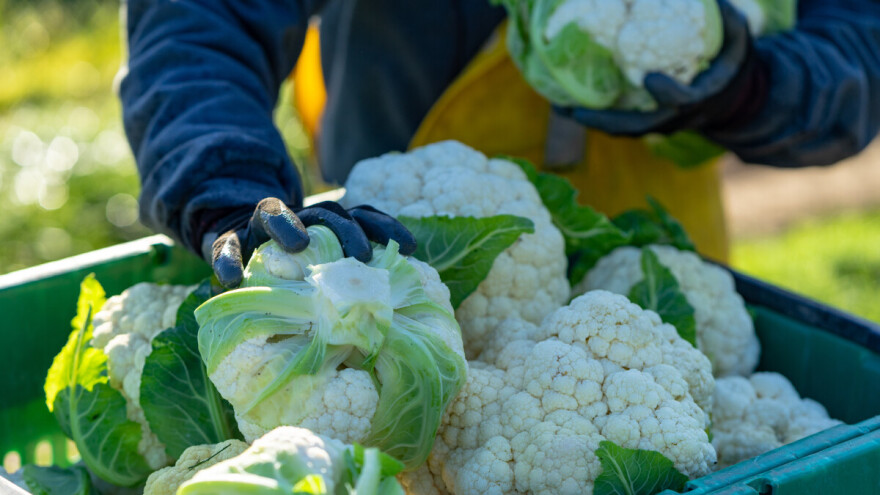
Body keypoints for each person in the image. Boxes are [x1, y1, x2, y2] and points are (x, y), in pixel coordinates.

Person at [120, 0, 880, 287]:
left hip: (663, 270)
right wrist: (221, 179)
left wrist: (753, 87)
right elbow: (200, 19)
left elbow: (858, 47)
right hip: (392, 272)